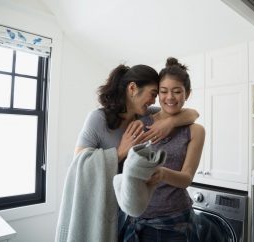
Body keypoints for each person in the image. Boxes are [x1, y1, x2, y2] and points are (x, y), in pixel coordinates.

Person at [73, 63, 200, 241]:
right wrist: (119, 152)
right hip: (104, 203)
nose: (155, 101)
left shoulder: (143, 116)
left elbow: (190, 113)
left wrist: (169, 123)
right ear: (132, 88)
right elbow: (79, 164)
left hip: (130, 208)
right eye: (154, 94)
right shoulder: (98, 119)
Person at [121, 57, 206, 242]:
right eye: (163, 91)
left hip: (173, 223)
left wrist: (161, 174)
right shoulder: (140, 123)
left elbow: (186, 179)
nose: (170, 97)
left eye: (177, 91)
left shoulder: (195, 131)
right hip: (136, 218)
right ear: (157, 94)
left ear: (187, 94)